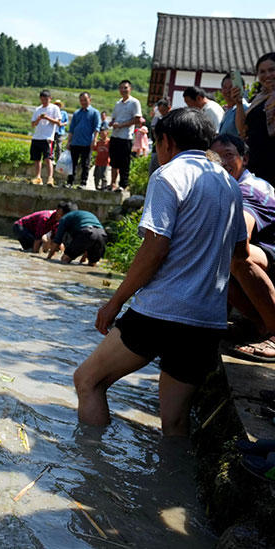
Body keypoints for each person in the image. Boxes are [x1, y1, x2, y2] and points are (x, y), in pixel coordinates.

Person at [73, 108, 247, 436]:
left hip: (162, 311)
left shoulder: (169, 175)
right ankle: (168, 483)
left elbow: (154, 250)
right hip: (207, 321)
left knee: (87, 381)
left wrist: (115, 302)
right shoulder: (230, 184)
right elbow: (240, 255)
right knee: (175, 422)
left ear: (166, 141)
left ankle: (90, 473)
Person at [210, 134, 275, 361]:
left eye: (229, 155)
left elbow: (240, 237)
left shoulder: (250, 189)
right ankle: (259, 325)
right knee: (214, 255)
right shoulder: (224, 188)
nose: (224, 163)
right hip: (264, 254)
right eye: (216, 158)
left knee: (234, 256)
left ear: (244, 159)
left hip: (269, 253)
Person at [233, 52, 275, 186]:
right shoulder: (259, 98)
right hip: (255, 158)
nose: (267, 75)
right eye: (262, 72)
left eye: (272, 70)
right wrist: (239, 103)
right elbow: (242, 129)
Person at [109, 80, 143, 191]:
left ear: (130, 89)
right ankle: (112, 183)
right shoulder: (118, 103)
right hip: (115, 135)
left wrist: (122, 125)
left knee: (124, 162)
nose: (123, 90)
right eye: (121, 88)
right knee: (113, 161)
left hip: (125, 136)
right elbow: (114, 118)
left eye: (126, 88)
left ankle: (123, 185)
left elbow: (137, 119)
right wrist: (112, 123)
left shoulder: (134, 102)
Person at [66, 92, 100, 188]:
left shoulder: (94, 113)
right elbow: (71, 128)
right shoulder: (77, 113)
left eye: (85, 100)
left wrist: (95, 140)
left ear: (90, 99)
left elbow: (97, 127)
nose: (83, 102)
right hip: (75, 142)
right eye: (81, 100)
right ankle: (70, 182)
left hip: (87, 142)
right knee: (72, 163)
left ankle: (83, 183)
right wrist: (69, 141)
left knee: (85, 164)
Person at [30, 89, 60, 186]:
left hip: (47, 137)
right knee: (37, 159)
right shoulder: (37, 109)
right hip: (37, 137)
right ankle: (38, 177)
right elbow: (33, 124)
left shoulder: (54, 108)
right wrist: (39, 119)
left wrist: (47, 118)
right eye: (42, 100)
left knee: (48, 158)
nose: (44, 102)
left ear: (50, 99)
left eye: (46, 100)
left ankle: (50, 178)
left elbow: (58, 122)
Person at [149, 99, 171, 175]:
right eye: (160, 111)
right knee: (153, 170)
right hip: (157, 148)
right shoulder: (158, 118)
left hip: (167, 150)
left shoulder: (172, 120)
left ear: (169, 108)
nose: (162, 113)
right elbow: (153, 130)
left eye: (163, 110)